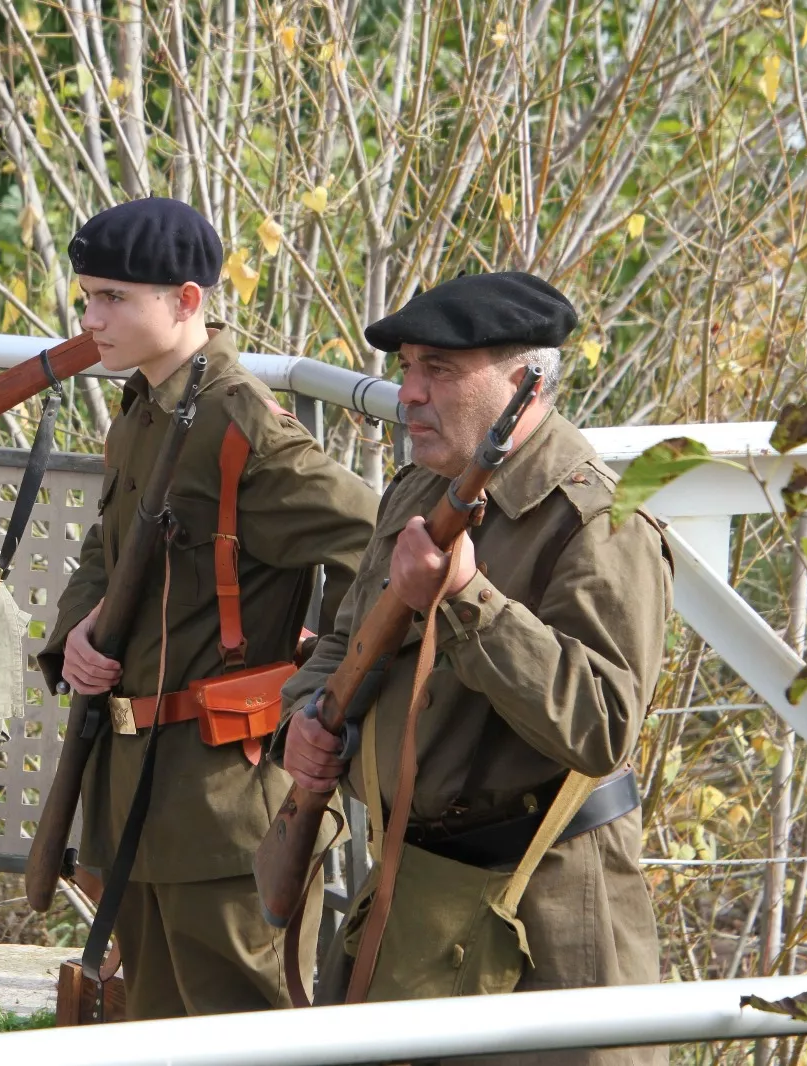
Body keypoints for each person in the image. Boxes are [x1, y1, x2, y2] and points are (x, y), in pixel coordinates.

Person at [280, 272, 672, 1065]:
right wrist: (306, 714)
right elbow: (345, 639)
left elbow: (601, 726)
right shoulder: (417, 493)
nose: (409, 394)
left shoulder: (600, 521)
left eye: (440, 370)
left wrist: (467, 598)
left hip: (547, 917)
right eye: (408, 368)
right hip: (413, 893)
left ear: (525, 383)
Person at [37, 197, 380, 1019]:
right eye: (87, 297)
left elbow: (377, 544)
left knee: (244, 1028)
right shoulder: (145, 408)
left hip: (227, 795)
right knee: (157, 1027)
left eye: (114, 298)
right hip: (139, 785)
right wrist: (77, 632)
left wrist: (317, 688)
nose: (91, 319)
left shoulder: (240, 423)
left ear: (187, 300)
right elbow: (108, 548)